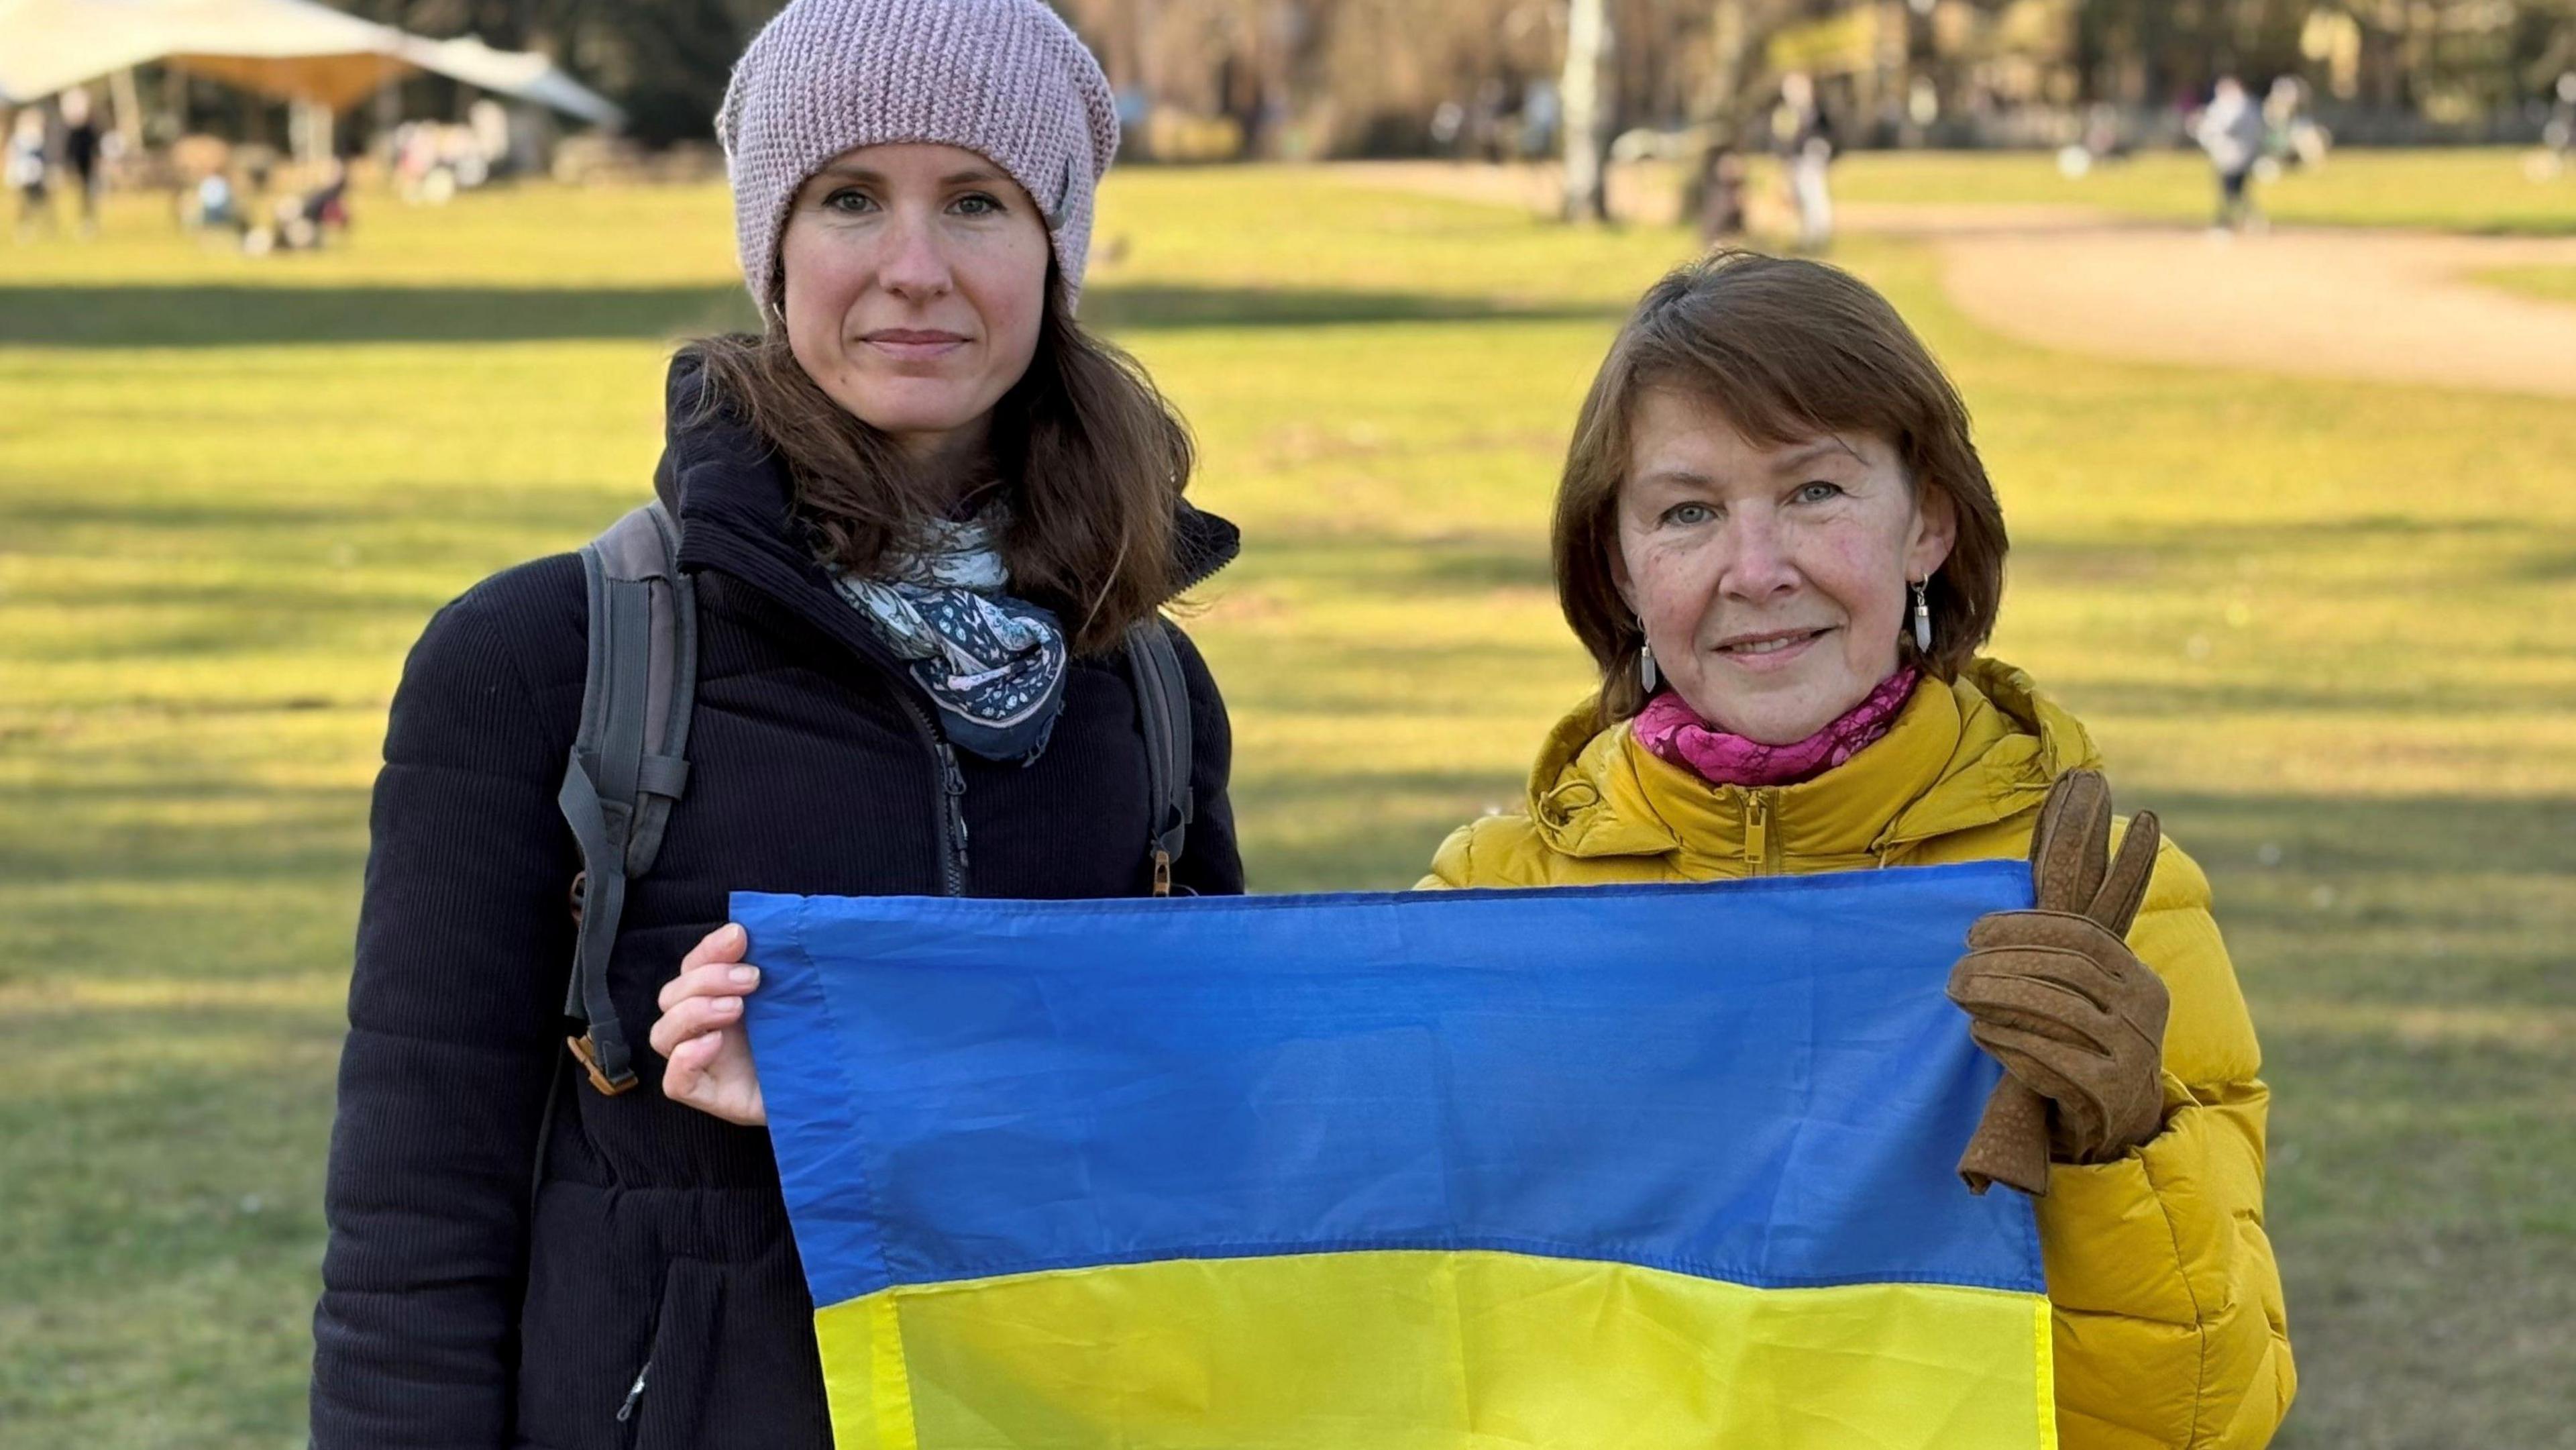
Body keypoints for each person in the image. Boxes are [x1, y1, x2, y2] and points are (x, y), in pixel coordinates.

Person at [307, 0, 1242, 1443]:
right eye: (850, 198)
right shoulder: (543, 659)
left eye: (978, 202)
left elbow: (1194, 1165)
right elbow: (412, 1227)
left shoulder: (1153, 693)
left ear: (1056, 249)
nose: (912, 270)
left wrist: (859, 1097)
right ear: (772, 245)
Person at [1421, 252, 2295, 1447]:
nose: (1757, 568)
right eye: (1687, 512)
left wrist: (2122, 1147)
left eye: (1816, 491)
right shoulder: (1487, 911)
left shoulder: (2089, 905)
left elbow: (2203, 1422)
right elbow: (1400, 1343)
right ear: (1621, 564)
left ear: (1926, 520)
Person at [1770, 70, 1834, 252]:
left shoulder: (1819, 111)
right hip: (1794, 162)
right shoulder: (1785, 114)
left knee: (1816, 199)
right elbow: (1781, 139)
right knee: (1796, 201)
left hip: (1812, 162)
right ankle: (1803, 237)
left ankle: (1818, 236)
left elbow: (1830, 134)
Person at [2197, 75, 2267, 233]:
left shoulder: (2243, 106)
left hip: (2237, 156)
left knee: (2234, 192)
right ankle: (2238, 221)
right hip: (2226, 156)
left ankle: (2229, 222)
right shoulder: (2226, 106)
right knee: (2232, 192)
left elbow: (2228, 127)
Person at [7, 109, 50, 240]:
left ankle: (44, 226)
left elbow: (42, 158)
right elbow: (14, 157)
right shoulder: (21, 139)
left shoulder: (37, 138)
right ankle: (25, 226)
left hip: (36, 174)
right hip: (24, 175)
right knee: (25, 202)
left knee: (39, 201)